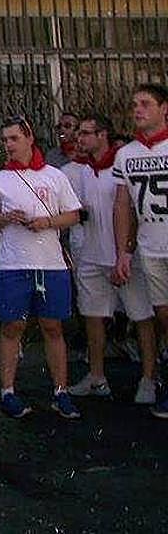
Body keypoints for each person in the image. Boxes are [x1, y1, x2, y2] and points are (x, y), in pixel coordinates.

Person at [0, 117, 82, 421]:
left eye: (13, 138)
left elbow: (73, 214)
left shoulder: (54, 176)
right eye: (5, 140)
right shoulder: (0, 180)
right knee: (12, 326)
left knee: (53, 326)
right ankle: (8, 391)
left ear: (29, 138)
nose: (8, 145)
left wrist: (46, 222)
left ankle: (61, 391)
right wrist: (7, 217)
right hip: (14, 264)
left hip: (50, 263)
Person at [64, 115, 158, 404]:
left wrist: (124, 254)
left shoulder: (121, 166)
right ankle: (97, 376)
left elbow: (132, 211)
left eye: (85, 133)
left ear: (103, 135)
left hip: (126, 259)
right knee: (93, 317)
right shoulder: (83, 172)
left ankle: (149, 378)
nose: (79, 138)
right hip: (93, 255)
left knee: (142, 317)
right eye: (78, 133)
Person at [112, 84, 168, 419]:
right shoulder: (127, 154)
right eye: (134, 104)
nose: (138, 110)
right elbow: (122, 206)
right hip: (151, 246)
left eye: (146, 104)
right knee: (162, 315)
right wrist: (124, 250)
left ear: (164, 109)